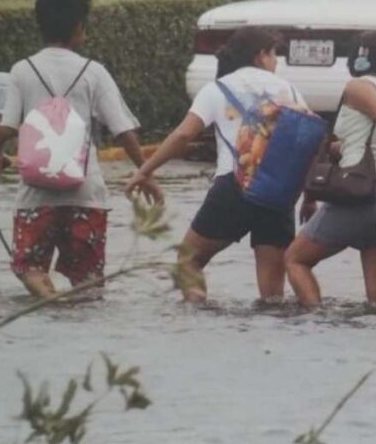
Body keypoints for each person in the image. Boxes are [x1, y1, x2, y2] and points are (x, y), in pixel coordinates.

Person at [0, 0, 161, 298]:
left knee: (28, 268)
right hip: (86, 194)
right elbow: (123, 131)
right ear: (79, 27)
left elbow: (8, 127)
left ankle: (50, 305)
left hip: (36, 196)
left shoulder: (22, 71)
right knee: (88, 282)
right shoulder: (94, 72)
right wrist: (146, 172)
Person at [124, 27, 306, 303]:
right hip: (277, 192)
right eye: (274, 54)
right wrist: (307, 192)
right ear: (259, 56)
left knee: (188, 262)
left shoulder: (218, 89)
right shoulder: (287, 88)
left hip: (235, 185)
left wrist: (144, 171)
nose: (276, 61)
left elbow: (184, 135)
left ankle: (199, 323)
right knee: (273, 295)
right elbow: (307, 136)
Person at [285, 32, 376, 307]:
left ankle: (314, 322)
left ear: (358, 58)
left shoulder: (358, 86)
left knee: (295, 259)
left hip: (360, 192)